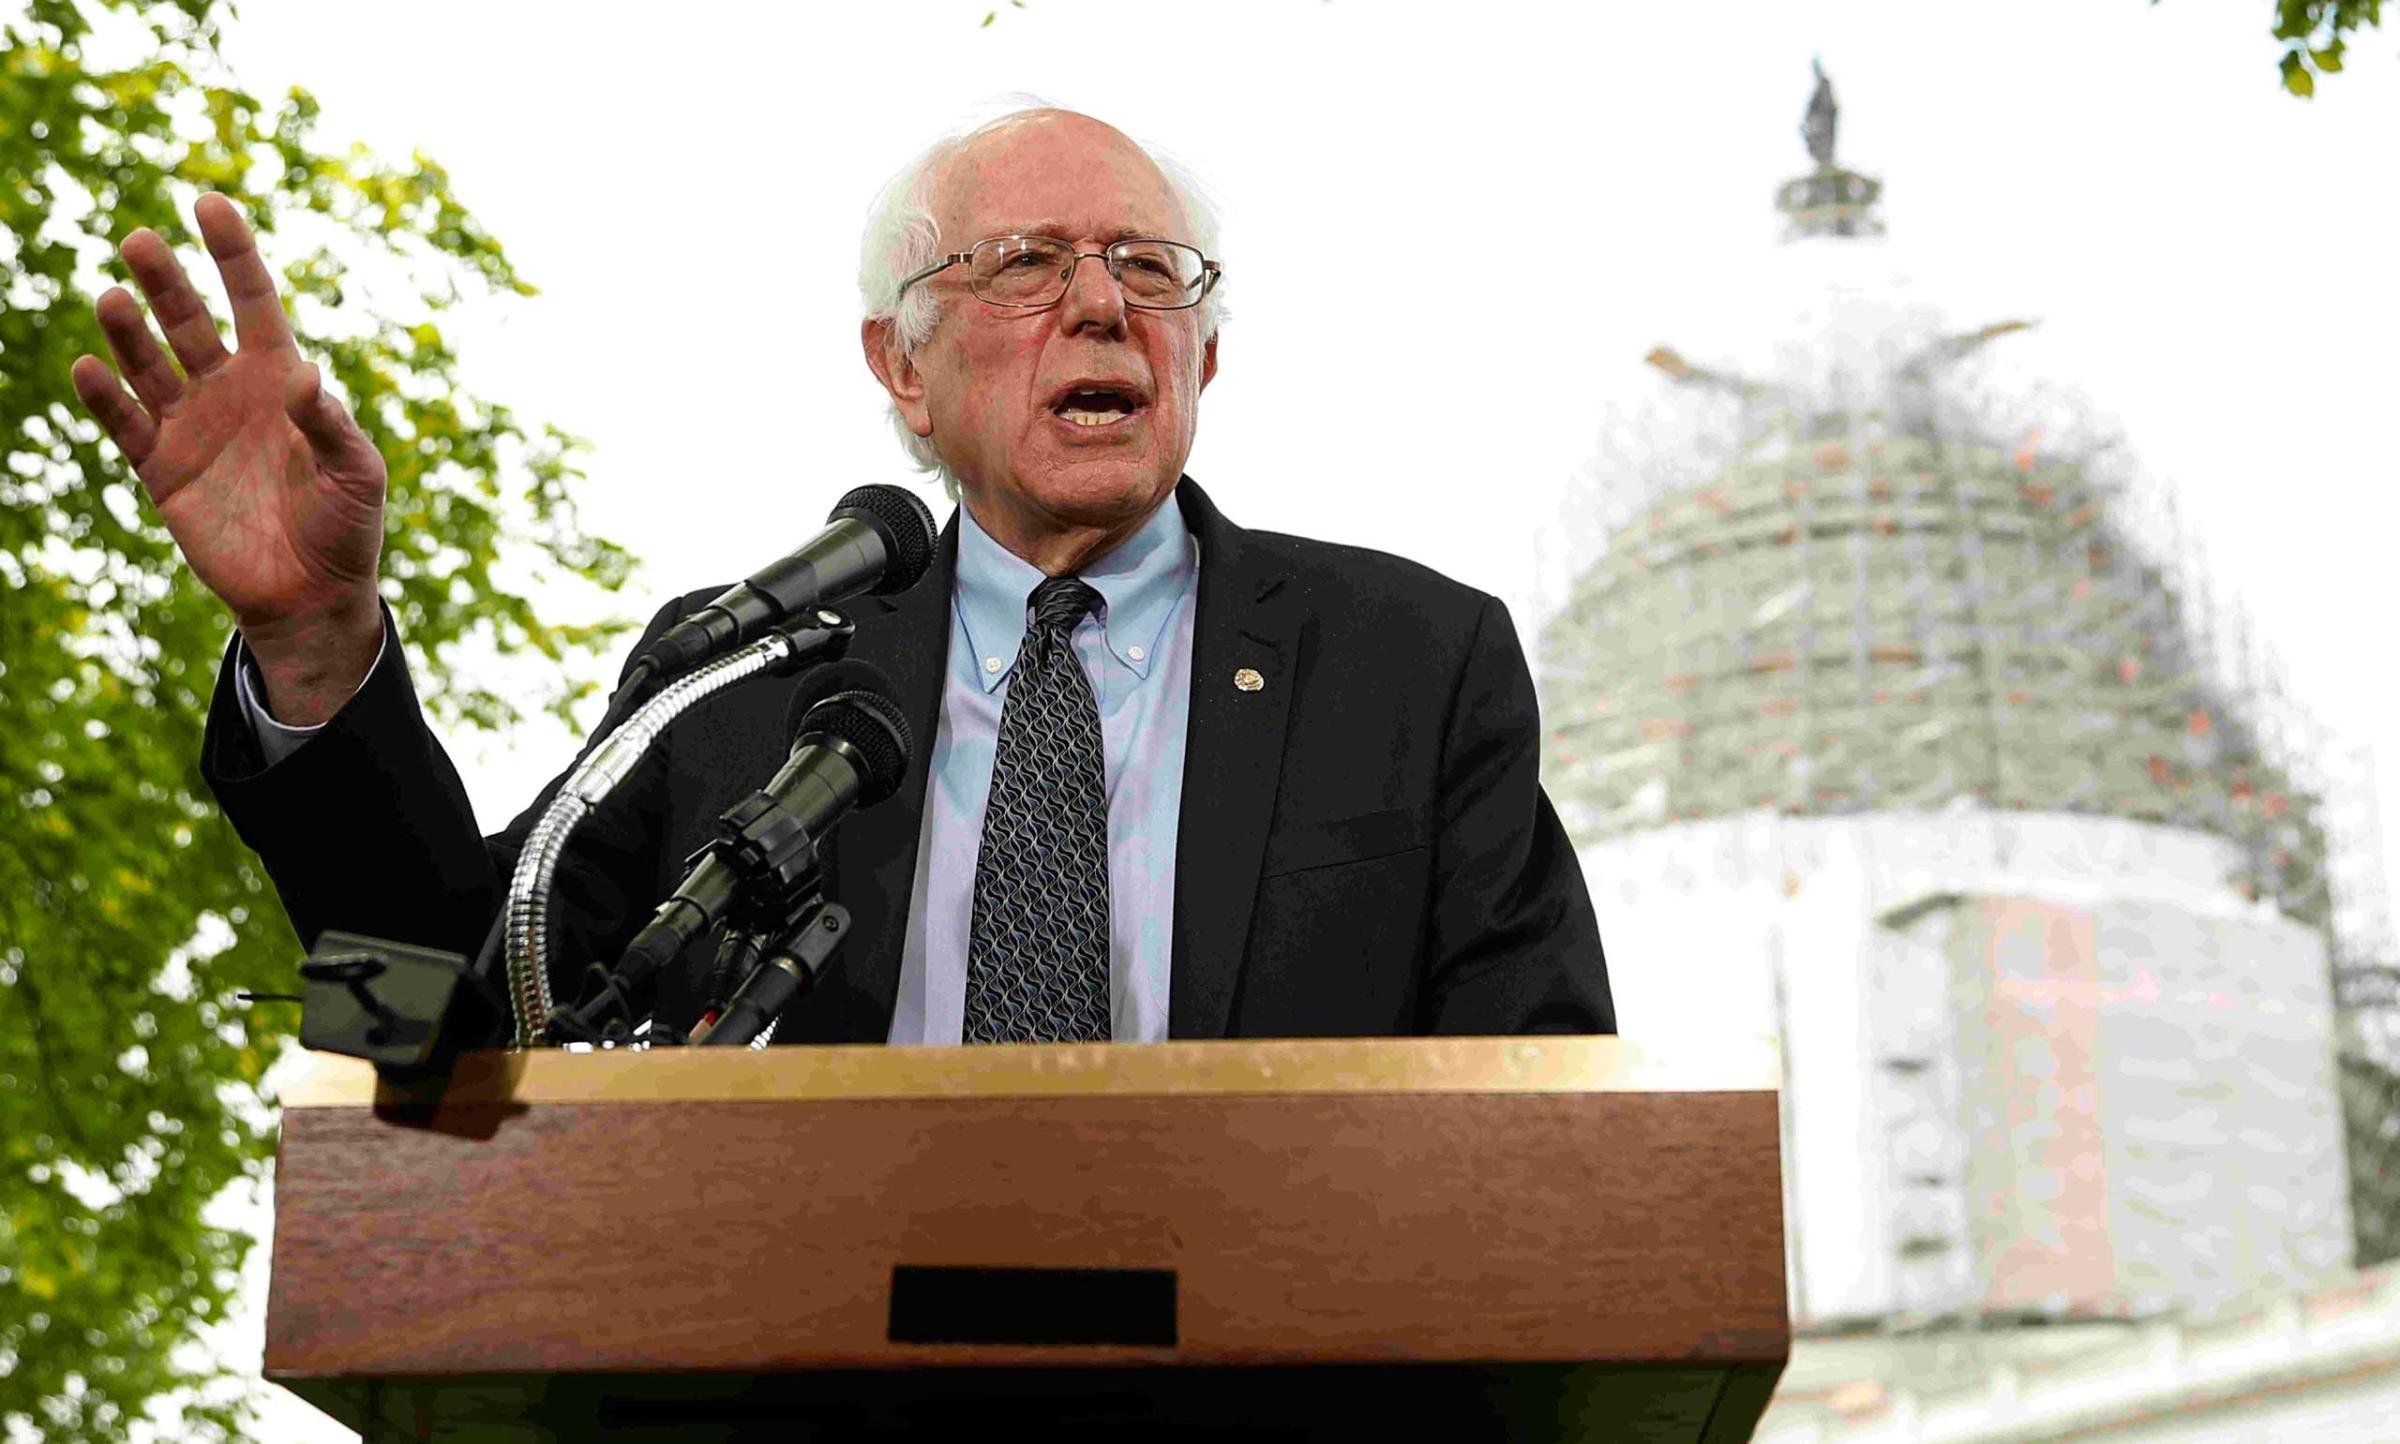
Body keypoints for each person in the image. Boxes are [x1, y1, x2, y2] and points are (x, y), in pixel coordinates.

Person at [68, 108, 1614, 1044]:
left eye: (1150, 270)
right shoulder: (742, 675)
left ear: (1207, 351)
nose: (1099, 303)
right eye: (1022, 264)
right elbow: (420, 1017)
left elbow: (1543, 1108)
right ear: (903, 366)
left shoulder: (1413, 663)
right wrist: (321, 644)